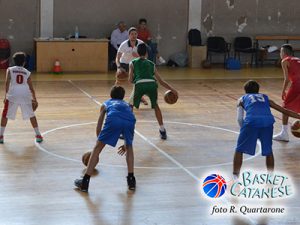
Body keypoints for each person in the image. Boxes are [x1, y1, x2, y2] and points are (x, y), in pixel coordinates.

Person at [233, 80, 300, 179]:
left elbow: (239, 118)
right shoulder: (265, 98)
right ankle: (270, 176)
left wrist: (244, 130)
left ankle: (235, 175)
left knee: (239, 149)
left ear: (245, 90)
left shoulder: (242, 99)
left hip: (251, 122)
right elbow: (284, 110)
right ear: (258, 90)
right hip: (268, 122)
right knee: (268, 151)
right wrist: (298, 116)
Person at [74, 86, 136, 192]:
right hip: (130, 121)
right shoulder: (127, 105)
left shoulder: (106, 103)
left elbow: (99, 124)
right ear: (122, 97)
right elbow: (130, 121)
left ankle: (85, 182)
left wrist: (99, 141)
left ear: (111, 95)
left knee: (97, 148)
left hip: (114, 119)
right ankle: (131, 181)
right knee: (129, 147)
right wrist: (126, 144)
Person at [128, 43, 178, 140]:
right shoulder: (152, 64)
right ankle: (162, 130)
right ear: (146, 53)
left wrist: (137, 79)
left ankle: (127, 130)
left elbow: (130, 80)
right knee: (155, 106)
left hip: (139, 84)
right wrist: (173, 89)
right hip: (152, 84)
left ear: (137, 53)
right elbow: (161, 81)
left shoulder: (132, 63)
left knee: (130, 106)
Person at [0, 52, 43, 144]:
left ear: (14, 61)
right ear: (24, 62)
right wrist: (35, 99)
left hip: (13, 93)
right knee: (31, 114)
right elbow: (31, 88)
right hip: (25, 93)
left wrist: (5, 96)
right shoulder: (27, 72)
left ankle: (1, 136)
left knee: (5, 114)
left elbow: (7, 83)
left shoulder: (10, 69)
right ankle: (38, 135)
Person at [273, 44, 300, 142]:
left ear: (283, 52)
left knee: (285, 108)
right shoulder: (297, 59)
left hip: (297, 85)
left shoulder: (285, 60)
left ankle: (284, 134)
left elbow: (287, 78)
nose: (280, 54)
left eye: (280, 52)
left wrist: (283, 90)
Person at [115, 27, 148, 105]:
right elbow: (117, 58)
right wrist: (119, 67)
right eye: (132, 34)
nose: (134, 35)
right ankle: (114, 97)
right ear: (129, 35)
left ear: (137, 35)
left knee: (138, 82)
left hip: (136, 64)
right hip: (124, 64)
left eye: (135, 34)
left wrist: (137, 56)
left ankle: (141, 97)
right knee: (119, 81)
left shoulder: (141, 43)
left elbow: (146, 57)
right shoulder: (124, 44)